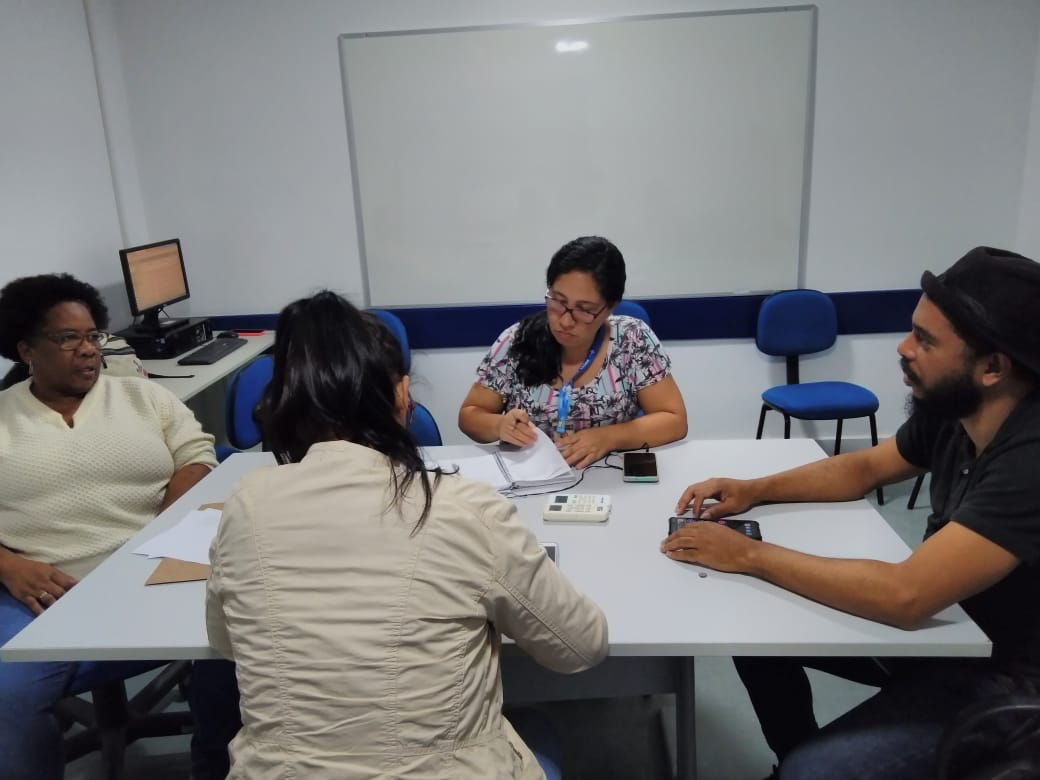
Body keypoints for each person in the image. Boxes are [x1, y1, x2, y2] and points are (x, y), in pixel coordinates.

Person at [659, 246, 1040, 780]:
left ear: (994, 367)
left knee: (819, 770)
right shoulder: (955, 411)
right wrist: (754, 490)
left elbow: (908, 595)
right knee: (757, 635)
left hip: (1007, 679)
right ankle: (792, 757)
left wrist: (750, 554)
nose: (904, 349)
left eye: (925, 341)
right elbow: (861, 470)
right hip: (949, 632)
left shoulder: (1029, 457)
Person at [206, 291, 609, 779]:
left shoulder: (246, 504)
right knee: (532, 730)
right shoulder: (463, 507)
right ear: (402, 395)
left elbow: (227, 642)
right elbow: (580, 646)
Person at [0, 273, 219, 780]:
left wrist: (167, 523)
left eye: (94, 336)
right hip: (42, 590)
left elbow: (197, 453)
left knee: (235, 649)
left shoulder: (144, 398)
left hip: (154, 566)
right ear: (26, 348)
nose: (89, 350)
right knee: (9, 694)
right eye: (68, 338)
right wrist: (10, 566)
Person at [459, 235, 687, 469]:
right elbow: (470, 415)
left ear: (609, 308)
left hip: (607, 478)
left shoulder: (632, 340)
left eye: (584, 310)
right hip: (531, 479)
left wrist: (609, 437)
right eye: (558, 301)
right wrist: (499, 426)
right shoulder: (516, 341)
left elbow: (674, 420)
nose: (566, 321)